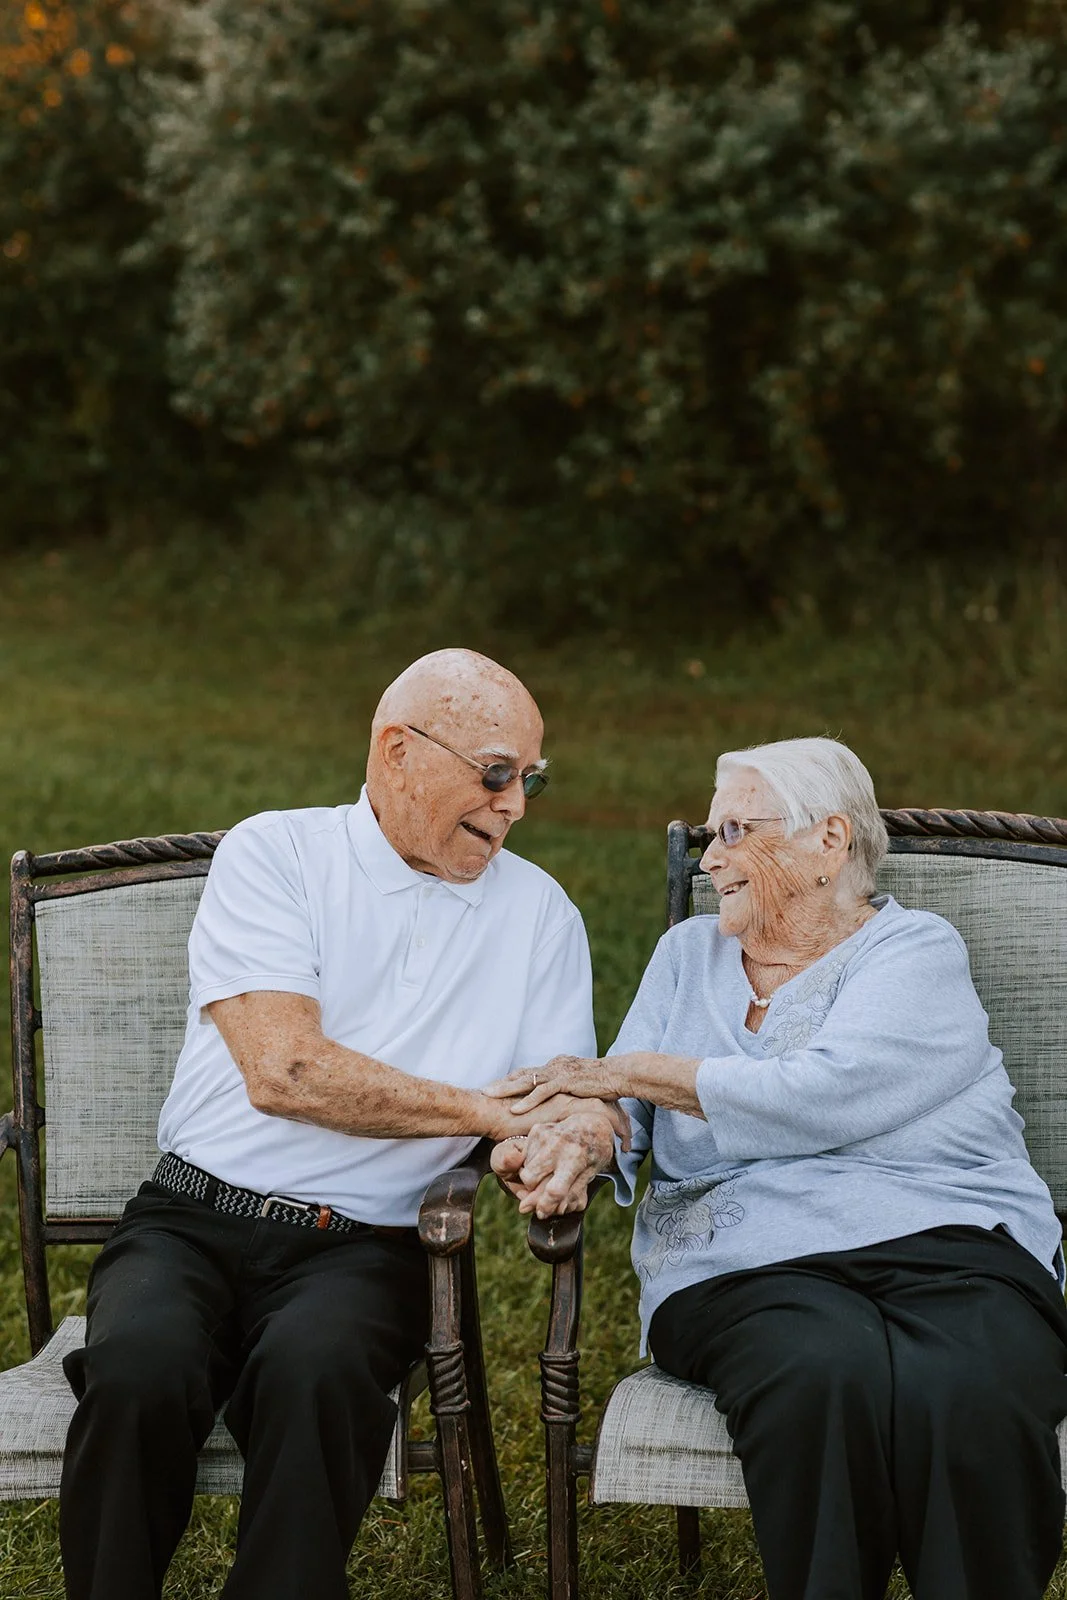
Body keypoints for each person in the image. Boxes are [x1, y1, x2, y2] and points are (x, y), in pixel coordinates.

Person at [59, 647, 622, 1600]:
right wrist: (488, 1111)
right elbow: (285, 1071)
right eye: (494, 773)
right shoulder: (276, 851)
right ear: (398, 751)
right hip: (191, 1221)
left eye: (530, 777)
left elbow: (559, 1095)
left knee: (317, 1375)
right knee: (138, 1372)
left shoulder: (540, 916)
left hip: (366, 1246)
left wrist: (561, 1144)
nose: (515, 803)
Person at [490, 736, 1067, 1600]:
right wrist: (578, 1136)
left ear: (828, 843)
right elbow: (622, 1114)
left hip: (950, 1244)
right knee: (817, 1371)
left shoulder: (914, 953)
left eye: (733, 830)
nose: (710, 857)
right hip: (743, 1262)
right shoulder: (687, 956)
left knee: (967, 1388)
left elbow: (815, 1095)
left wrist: (614, 1072)